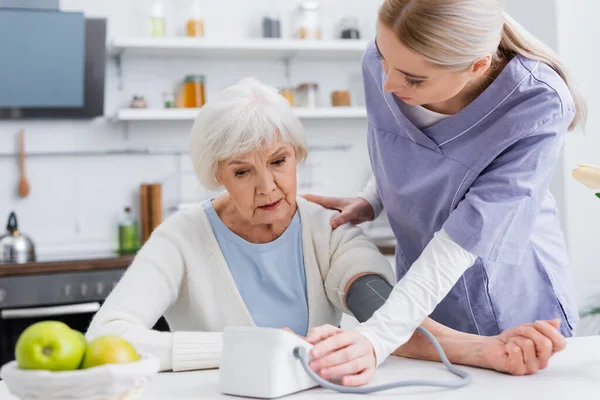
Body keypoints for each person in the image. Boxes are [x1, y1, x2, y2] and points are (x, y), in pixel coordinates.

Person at [86, 78, 565, 377]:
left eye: (279, 161)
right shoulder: (182, 237)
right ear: (217, 175)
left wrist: (487, 350)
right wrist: (265, 347)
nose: (267, 186)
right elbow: (106, 339)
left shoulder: (327, 228)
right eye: (241, 171)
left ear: (297, 155)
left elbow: (383, 314)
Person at [303, 0, 585, 387]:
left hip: (507, 292)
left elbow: (468, 234)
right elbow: (397, 141)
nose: (386, 83)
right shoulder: (388, 61)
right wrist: (374, 197)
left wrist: (377, 337)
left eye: (413, 80)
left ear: (477, 66)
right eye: (384, 58)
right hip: (420, 292)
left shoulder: (536, 103)